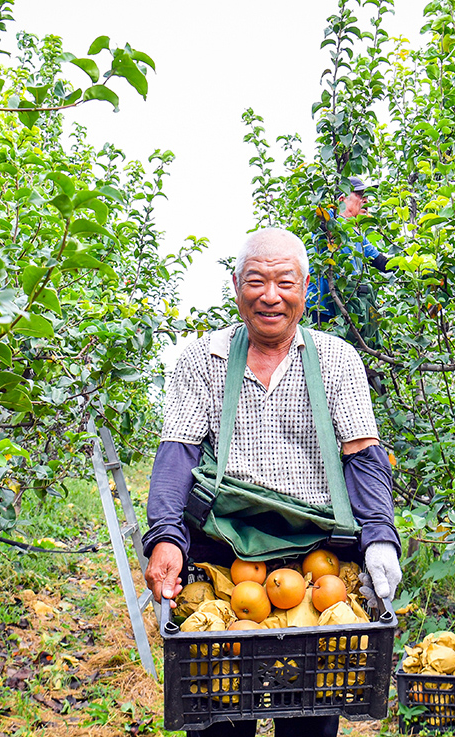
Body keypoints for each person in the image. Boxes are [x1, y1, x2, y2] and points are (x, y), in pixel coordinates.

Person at [143, 227, 401, 737]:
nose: (270, 295)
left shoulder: (337, 360)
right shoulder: (202, 359)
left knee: (310, 711)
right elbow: (178, 452)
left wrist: (379, 539)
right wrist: (166, 536)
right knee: (217, 710)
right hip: (224, 554)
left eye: (285, 282)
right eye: (256, 281)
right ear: (236, 284)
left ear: (305, 287)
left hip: (316, 558)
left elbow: (363, 455)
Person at [306, 176, 392, 328]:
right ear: (341, 198)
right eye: (360, 195)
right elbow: (320, 222)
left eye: (366, 196)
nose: (365, 200)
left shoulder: (359, 237)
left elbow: (382, 263)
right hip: (320, 310)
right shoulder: (330, 219)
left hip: (343, 310)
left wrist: (414, 267)